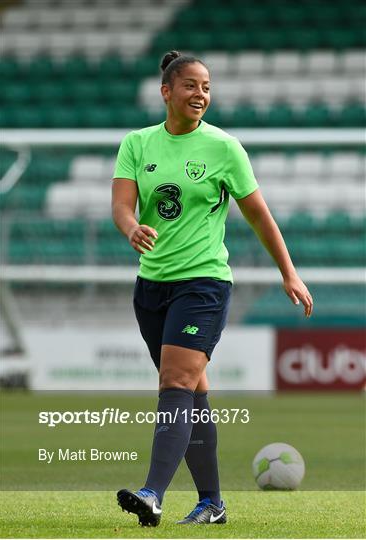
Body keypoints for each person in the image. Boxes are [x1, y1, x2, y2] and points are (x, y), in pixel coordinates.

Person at [112, 50, 313, 527]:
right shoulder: (137, 144)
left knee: (174, 383)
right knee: (193, 391)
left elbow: (259, 214)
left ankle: (152, 494)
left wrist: (289, 271)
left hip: (203, 283)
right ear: (167, 92)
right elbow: (122, 206)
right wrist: (130, 229)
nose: (200, 94)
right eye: (190, 86)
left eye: (206, 87)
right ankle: (212, 503)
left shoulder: (224, 148)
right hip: (151, 287)